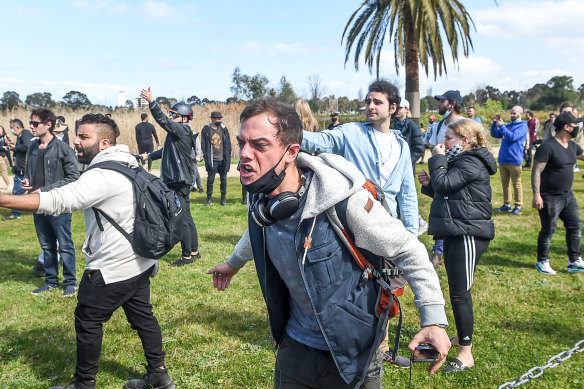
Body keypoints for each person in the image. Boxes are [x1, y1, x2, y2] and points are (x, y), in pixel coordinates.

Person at [207, 98, 450, 388]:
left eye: (259, 145)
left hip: (354, 352)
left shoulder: (344, 203)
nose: (244, 155)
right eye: (242, 142)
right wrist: (234, 264)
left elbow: (410, 251)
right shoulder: (263, 202)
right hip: (295, 347)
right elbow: (256, 231)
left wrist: (433, 319)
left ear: (291, 152)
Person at [0, 113, 175, 389]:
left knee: (87, 320)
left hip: (113, 267)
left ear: (104, 143)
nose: (75, 141)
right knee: (144, 317)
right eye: (77, 135)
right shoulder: (128, 164)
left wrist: (4, 199)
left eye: (83, 137)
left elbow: (60, 200)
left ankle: (84, 383)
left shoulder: (102, 175)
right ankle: (159, 373)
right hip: (140, 261)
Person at [418, 119, 496, 373]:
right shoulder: (462, 161)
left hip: (469, 233)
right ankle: (461, 338)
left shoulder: (471, 161)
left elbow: (446, 185)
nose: (443, 143)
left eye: (449, 138)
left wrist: (436, 159)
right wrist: (430, 185)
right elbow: (448, 194)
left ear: (465, 140)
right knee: (455, 291)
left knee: (461, 293)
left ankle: (466, 352)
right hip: (457, 230)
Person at [300, 80, 419, 236]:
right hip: (353, 227)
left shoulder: (402, 146)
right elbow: (319, 141)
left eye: (377, 102)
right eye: (368, 101)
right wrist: (283, 131)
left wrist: (411, 233)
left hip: (388, 227)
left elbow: (407, 194)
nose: (371, 106)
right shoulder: (351, 132)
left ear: (392, 108)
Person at [140, 88, 200, 267]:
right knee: (187, 217)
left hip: (177, 180)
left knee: (181, 219)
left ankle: (186, 256)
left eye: (174, 115)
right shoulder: (179, 133)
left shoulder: (181, 129)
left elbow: (162, 120)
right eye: (171, 115)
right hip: (181, 180)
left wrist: (152, 101)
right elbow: (167, 150)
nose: (171, 118)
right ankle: (194, 252)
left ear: (183, 118)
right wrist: (148, 156)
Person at [24, 108, 80, 296]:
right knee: (47, 245)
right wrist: (28, 182)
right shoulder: (32, 147)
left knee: (65, 244)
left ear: (48, 125)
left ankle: (70, 283)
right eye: (30, 123)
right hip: (37, 203)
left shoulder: (62, 148)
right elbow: (30, 171)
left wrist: (46, 190)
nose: (31, 126)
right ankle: (51, 282)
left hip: (58, 204)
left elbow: (73, 176)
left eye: (35, 123)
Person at [532, 111, 584, 275]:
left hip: (567, 196)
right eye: (575, 125)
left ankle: (574, 260)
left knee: (575, 225)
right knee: (548, 229)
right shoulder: (548, 146)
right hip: (549, 196)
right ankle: (542, 261)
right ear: (567, 127)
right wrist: (536, 194)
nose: (577, 128)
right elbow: (536, 171)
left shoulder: (573, 146)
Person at [429, 90, 464, 267]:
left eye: (442, 102)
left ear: (452, 104)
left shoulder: (465, 124)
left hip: (459, 174)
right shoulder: (438, 125)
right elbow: (435, 148)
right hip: (441, 172)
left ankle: (450, 249)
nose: (439, 105)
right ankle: (439, 250)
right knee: (441, 209)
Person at [491, 106, 528, 215]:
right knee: (505, 183)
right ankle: (507, 204)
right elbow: (495, 134)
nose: (512, 115)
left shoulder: (523, 127)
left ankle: (518, 205)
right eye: (511, 113)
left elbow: (512, 137)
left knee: (516, 183)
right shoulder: (509, 126)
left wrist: (502, 126)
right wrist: (495, 124)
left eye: (514, 113)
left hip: (514, 160)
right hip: (503, 159)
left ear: (520, 114)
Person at [3, 119, 33, 220]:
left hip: (23, 169)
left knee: (17, 192)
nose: (11, 130)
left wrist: (14, 148)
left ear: (17, 127)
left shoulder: (25, 134)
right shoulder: (21, 136)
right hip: (20, 168)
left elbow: (27, 147)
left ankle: (16, 213)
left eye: (12, 128)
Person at [201, 111, 232, 206]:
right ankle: (209, 199)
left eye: (220, 119)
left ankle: (223, 199)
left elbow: (228, 145)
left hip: (222, 160)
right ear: (212, 119)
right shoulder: (206, 130)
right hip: (212, 160)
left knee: (223, 180)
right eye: (218, 119)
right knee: (210, 180)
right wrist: (207, 157)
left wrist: (227, 158)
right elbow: (204, 145)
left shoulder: (224, 129)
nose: (220, 120)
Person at [394, 99, 425, 171]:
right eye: (395, 107)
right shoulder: (390, 125)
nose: (396, 110)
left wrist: (407, 163)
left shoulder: (413, 126)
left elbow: (419, 149)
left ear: (406, 110)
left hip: (407, 169)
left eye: (400, 108)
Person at [0, 125, 13, 190]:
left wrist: (10, 140)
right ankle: (9, 184)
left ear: (3, 130)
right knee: (3, 170)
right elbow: (3, 147)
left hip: (3, 155)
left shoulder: (4, 137)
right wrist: (2, 147)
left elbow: (10, 145)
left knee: (4, 170)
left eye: (0, 129)